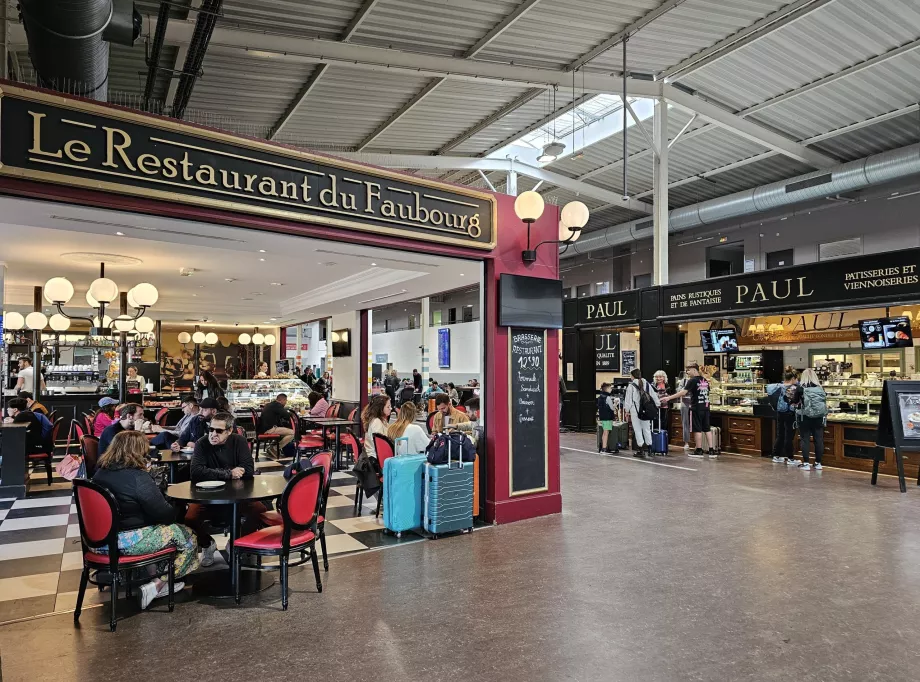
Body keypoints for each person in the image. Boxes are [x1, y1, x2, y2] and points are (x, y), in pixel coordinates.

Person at [92, 431, 199, 609]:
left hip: (100, 540)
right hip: (129, 542)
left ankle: (146, 574)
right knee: (188, 537)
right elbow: (164, 514)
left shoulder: (100, 473)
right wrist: (178, 506)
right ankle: (160, 584)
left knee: (159, 530)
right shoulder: (137, 477)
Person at [185, 412, 261, 567]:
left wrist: (215, 473)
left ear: (229, 431)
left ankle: (237, 541)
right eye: (211, 429)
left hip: (238, 493)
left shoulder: (239, 441)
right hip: (207, 494)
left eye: (219, 431)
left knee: (259, 511)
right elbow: (196, 472)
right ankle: (207, 544)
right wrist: (228, 473)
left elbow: (248, 469)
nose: (213, 434)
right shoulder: (201, 443)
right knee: (189, 518)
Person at [660, 363, 715, 458]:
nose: (687, 372)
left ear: (694, 370)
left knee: (697, 429)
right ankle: (711, 450)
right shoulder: (704, 380)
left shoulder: (692, 380)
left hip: (696, 407)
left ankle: (699, 450)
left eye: (688, 370)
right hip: (706, 407)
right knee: (707, 428)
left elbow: (683, 392)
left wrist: (669, 398)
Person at [795, 368, 827, 471]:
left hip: (805, 417)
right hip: (818, 417)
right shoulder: (820, 388)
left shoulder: (800, 388)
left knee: (805, 439)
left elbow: (795, 401)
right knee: (819, 440)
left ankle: (806, 463)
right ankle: (818, 463)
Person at [767, 369, 801, 466]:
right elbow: (794, 402)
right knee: (789, 436)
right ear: (793, 378)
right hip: (789, 413)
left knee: (780, 434)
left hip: (779, 412)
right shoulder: (793, 388)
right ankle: (790, 458)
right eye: (796, 379)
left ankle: (776, 456)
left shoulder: (777, 387)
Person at [625, 369, 660, 458]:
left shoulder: (631, 386)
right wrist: (657, 405)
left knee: (637, 429)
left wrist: (626, 410)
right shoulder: (647, 384)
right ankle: (650, 449)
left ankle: (640, 449)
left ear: (633, 376)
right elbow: (654, 396)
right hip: (646, 410)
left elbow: (628, 400)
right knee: (646, 429)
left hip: (635, 410)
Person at [361, 394, 392, 459]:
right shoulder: (377, 422)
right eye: (388, 407)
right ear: (380, 408)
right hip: (375, 459)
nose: (391, 409)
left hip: (374, 456)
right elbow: (381, 444)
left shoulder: (379, 419)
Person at [596, 383, 616, 454]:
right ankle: (604, 448)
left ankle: (603, 447)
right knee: (606, 432)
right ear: (607, 389)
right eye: (610, 388)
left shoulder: (600, 397)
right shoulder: (608, 398)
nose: (611, 389)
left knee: (604, 432)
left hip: (602, 417)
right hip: (608, 417)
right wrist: (615, 404)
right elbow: (612, 408)